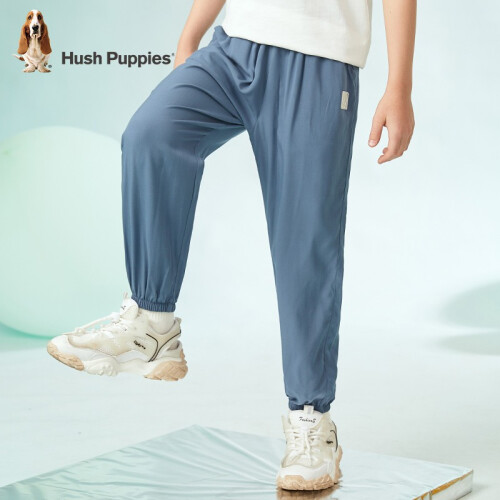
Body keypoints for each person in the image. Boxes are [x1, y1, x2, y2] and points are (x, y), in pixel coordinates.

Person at [47, 0, 416, 491]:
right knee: (151, 136)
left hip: (321, 61)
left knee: (304, 242)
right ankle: (152, 323)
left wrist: (399, 86)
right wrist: (190, 36)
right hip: (235, 48)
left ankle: (311, 419)